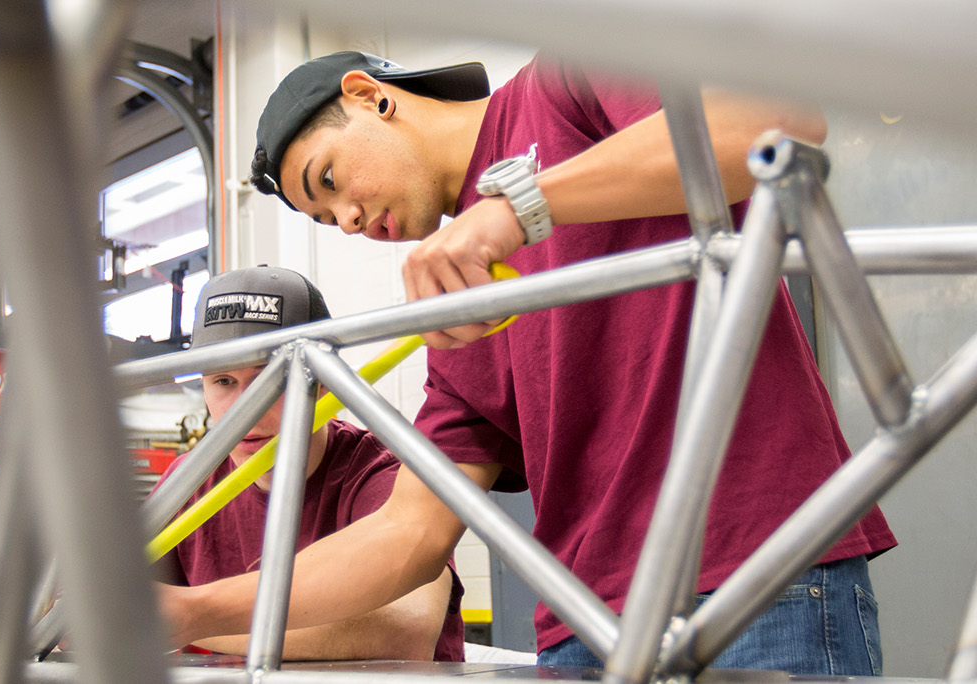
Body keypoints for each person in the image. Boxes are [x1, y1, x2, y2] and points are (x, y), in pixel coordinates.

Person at [166, 52, 895, 674]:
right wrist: (194, 609)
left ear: (368, 96)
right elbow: (407, 537)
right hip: (583, 628)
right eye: (327, 222)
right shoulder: (460, 314)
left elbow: (772, 126)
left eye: (328, 181)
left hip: (752, 580)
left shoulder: (562, 83)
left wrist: (520, 205)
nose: (349, 221)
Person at [156, 265, 463, 662]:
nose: (245, 411)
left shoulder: (386, 472)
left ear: (322, 381)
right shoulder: (187, 481)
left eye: (273, 378)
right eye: (223, 381)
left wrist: (193, 618)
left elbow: (403, 631)